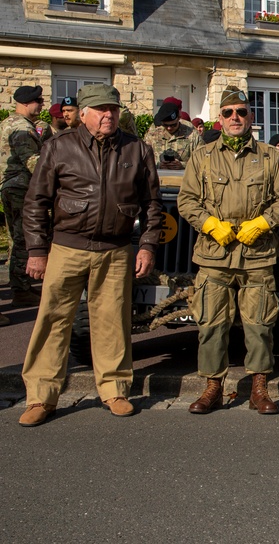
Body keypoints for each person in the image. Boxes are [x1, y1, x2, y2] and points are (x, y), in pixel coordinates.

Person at [18, 84, 162, 426]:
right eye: (100, 109)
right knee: (52, 320)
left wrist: (147, 245)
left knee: (112, 321)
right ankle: (41, 396)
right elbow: (35, 202)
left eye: (112, 108)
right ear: (83, 114)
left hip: (115, 249)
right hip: (67, 247)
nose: (108, 115)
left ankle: (114, 390)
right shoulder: (58, 147)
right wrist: (37, 250)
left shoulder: (137, 149)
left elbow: (152, 204)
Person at [177, 87, 279, 415]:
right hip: (214, 253)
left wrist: (263, 223)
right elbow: (186, 200)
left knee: (259, 324)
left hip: (257, 253)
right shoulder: (202, 156)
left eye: (241, 112)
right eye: (228, 113)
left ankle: (259, 386)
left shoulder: (270, 157)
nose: (235, 118)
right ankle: (212, 386)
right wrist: (209, 224)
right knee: (212, 324)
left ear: (251, 116)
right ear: (220, 118)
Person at [0, 85, 47, 308]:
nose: (42, 105)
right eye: (39, 100)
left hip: (10, 187)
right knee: (22, 238)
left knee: (14, 237)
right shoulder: (21, 127)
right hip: (20, 188)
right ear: (28, 102)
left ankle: (20, 285)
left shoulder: (9, 123)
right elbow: (33, 162)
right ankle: (21, 289)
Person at [144, 102, 199, 169]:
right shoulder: (152, 136)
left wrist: (183, 165)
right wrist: (158, 165)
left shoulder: (192, 135)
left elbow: (202, 160)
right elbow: (143, 160)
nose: (169, 128)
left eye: (173, 125)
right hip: (159, 177)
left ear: (179, 118)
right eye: (165, 125)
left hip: (183, 178)